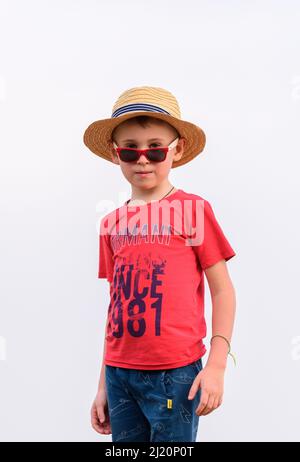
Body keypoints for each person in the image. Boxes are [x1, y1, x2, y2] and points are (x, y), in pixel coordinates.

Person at [83, 86, 237, 442]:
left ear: (176, 149)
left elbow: (223, 290)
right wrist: (103, 382)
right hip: (120, 375)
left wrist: (216, 364)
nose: (142, 160)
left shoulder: (194, 211)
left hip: (175, 373)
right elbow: (115, 308)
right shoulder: (111, 224)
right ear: (114, 153)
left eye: (155, 149)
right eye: (129, 149)